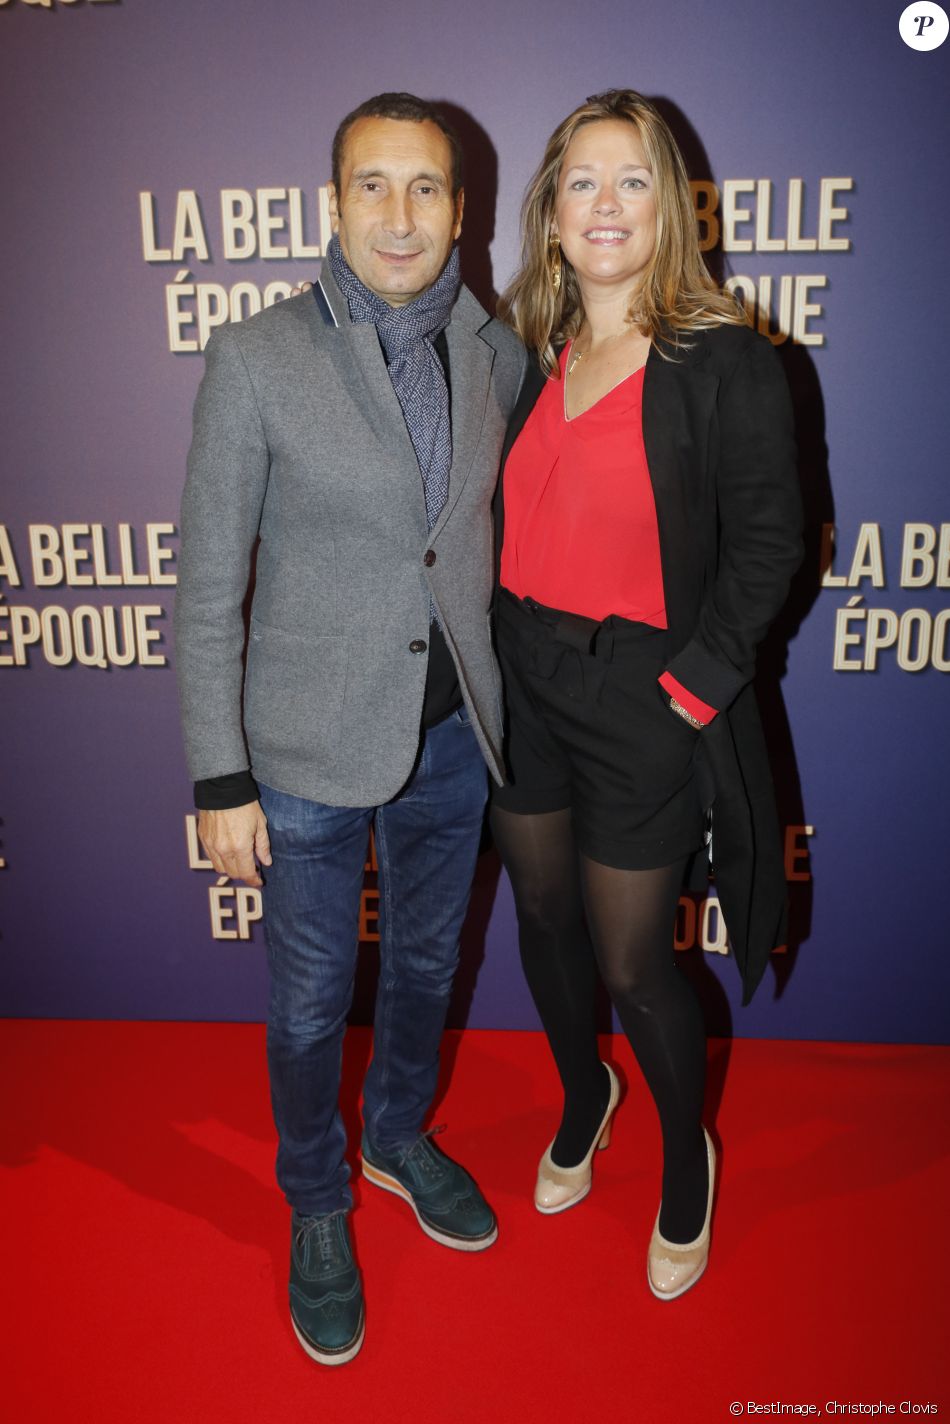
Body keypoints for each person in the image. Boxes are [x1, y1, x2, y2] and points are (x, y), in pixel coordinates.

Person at [175, 92, 525, 1366]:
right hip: (305, 755)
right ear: (331, 205)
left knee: (428, 972)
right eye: (370, 186)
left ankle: (395, 1134)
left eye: (424, 187)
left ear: (458, 208)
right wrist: (220, 774)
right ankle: (316, 1199)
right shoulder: (258, 355)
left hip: (450, 742)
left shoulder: (493, 355)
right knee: (313, 996)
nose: (398, 213)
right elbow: (208, 585)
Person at [490, 89, 803, 1300]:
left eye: (630, 179)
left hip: (641, 690)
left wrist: (690, 691)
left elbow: (767, 544)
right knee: (541, 916)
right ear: (551, 212)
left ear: (667, 204)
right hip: (523, 672)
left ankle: (688, 1157)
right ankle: (584, 1094)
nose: (604, 203)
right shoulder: (526, 345)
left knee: (631, 962)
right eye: (580, 180)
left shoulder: (723, 353)